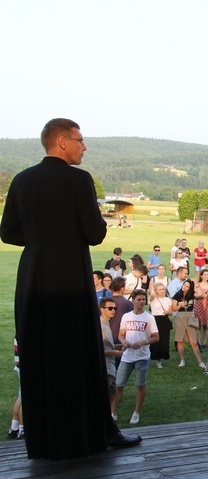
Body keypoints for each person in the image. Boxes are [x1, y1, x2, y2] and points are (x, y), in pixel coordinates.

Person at [0, 118, 140, 459]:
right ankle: (93, 434)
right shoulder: (79, 180)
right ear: (62, 142)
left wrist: (40, 240)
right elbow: (94, 233)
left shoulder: (21, 180)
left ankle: (44, 441)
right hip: (69, 276)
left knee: (40, 355)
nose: (84, 146)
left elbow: (8, 233)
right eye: (80, 140)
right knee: (80, 355)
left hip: (33, 277)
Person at [113, 290, 158, 425]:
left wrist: (144, 342)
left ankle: (136, 413)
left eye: (143, 299)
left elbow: (156, 337)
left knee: (140, 384)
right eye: (139, 299)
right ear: (133, 300)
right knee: (118, 384)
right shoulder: (126, 316)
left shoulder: (149, 317)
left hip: (142, 356)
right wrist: (123, 342)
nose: (141, 302)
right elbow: (121, 334)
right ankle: (113, 412)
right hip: (127, 356)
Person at [172, 280, 205, 369]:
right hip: (180, 317)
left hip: (190, 316)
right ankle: (182, 360)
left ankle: (200, 362)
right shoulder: (177, 295)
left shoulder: (192, 295)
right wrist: (180, 305)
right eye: (184, 285)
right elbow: (174, 308)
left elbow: (200, 296)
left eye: (187, 286)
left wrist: (199, 289)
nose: (184, 287)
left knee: (193, 341)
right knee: (180, 340)